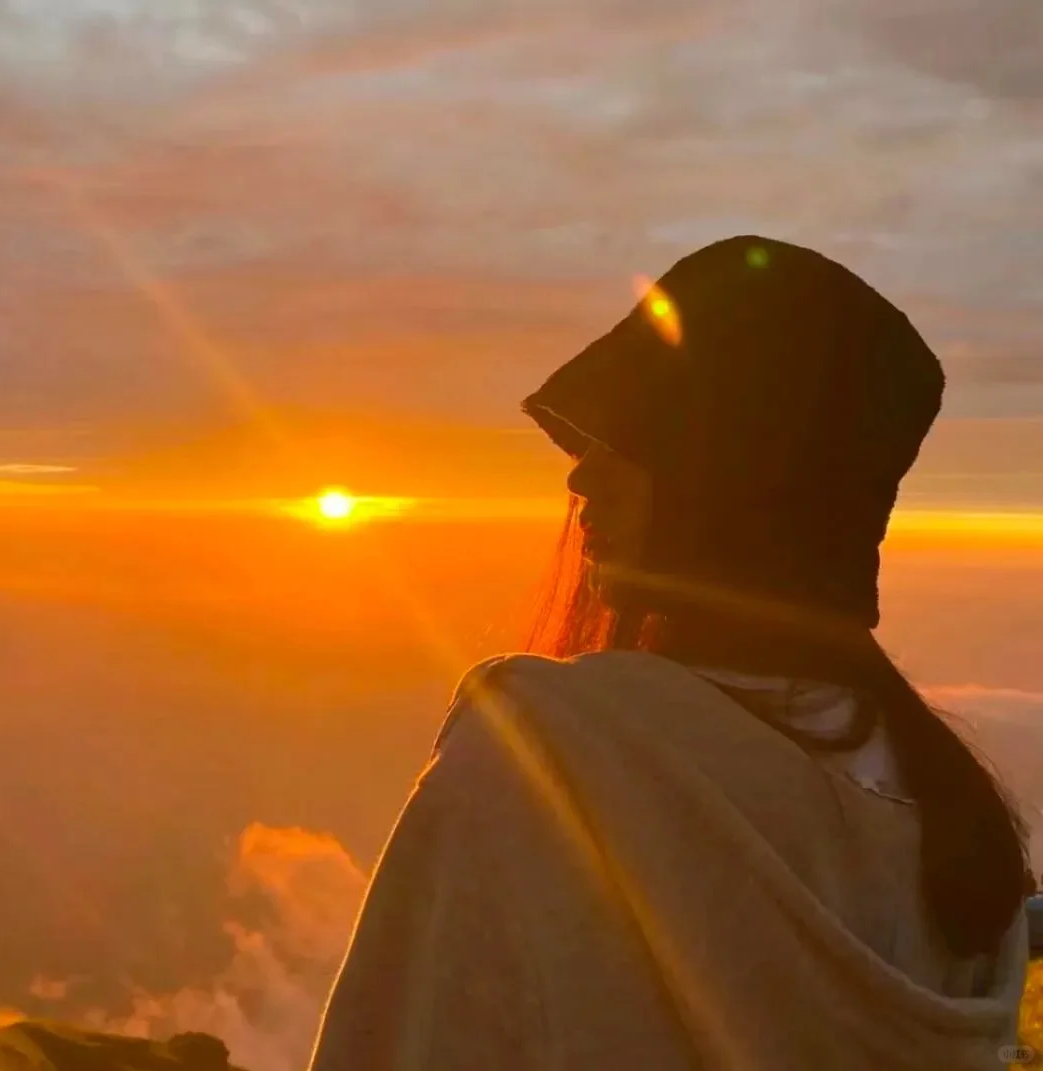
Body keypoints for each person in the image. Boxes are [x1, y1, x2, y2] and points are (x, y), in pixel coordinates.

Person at [307, 236, 1030, 1070]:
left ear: (736, 476)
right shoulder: (944, 808)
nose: (583, 481)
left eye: (642, 440)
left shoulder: (542, 755)